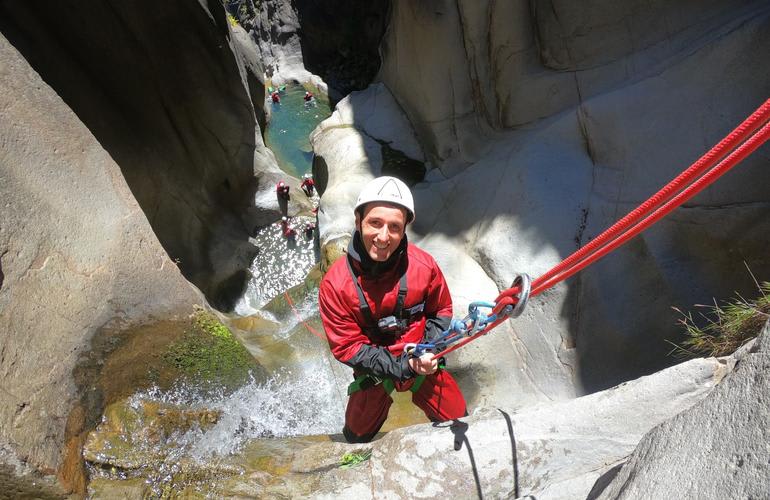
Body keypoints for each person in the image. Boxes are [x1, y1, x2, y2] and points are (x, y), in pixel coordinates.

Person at [318, 176, 467, 443]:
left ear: (404, 229)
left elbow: (441, 310)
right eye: (375, 223)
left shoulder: (424, 267)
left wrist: (429, 348)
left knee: (462, 422)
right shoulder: (336, 285)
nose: (384, 236)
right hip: (375, 372)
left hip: (422, 362)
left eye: (394, 227)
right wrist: (400, 366)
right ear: (358, 221)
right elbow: (347, 346)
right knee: (356, 436)